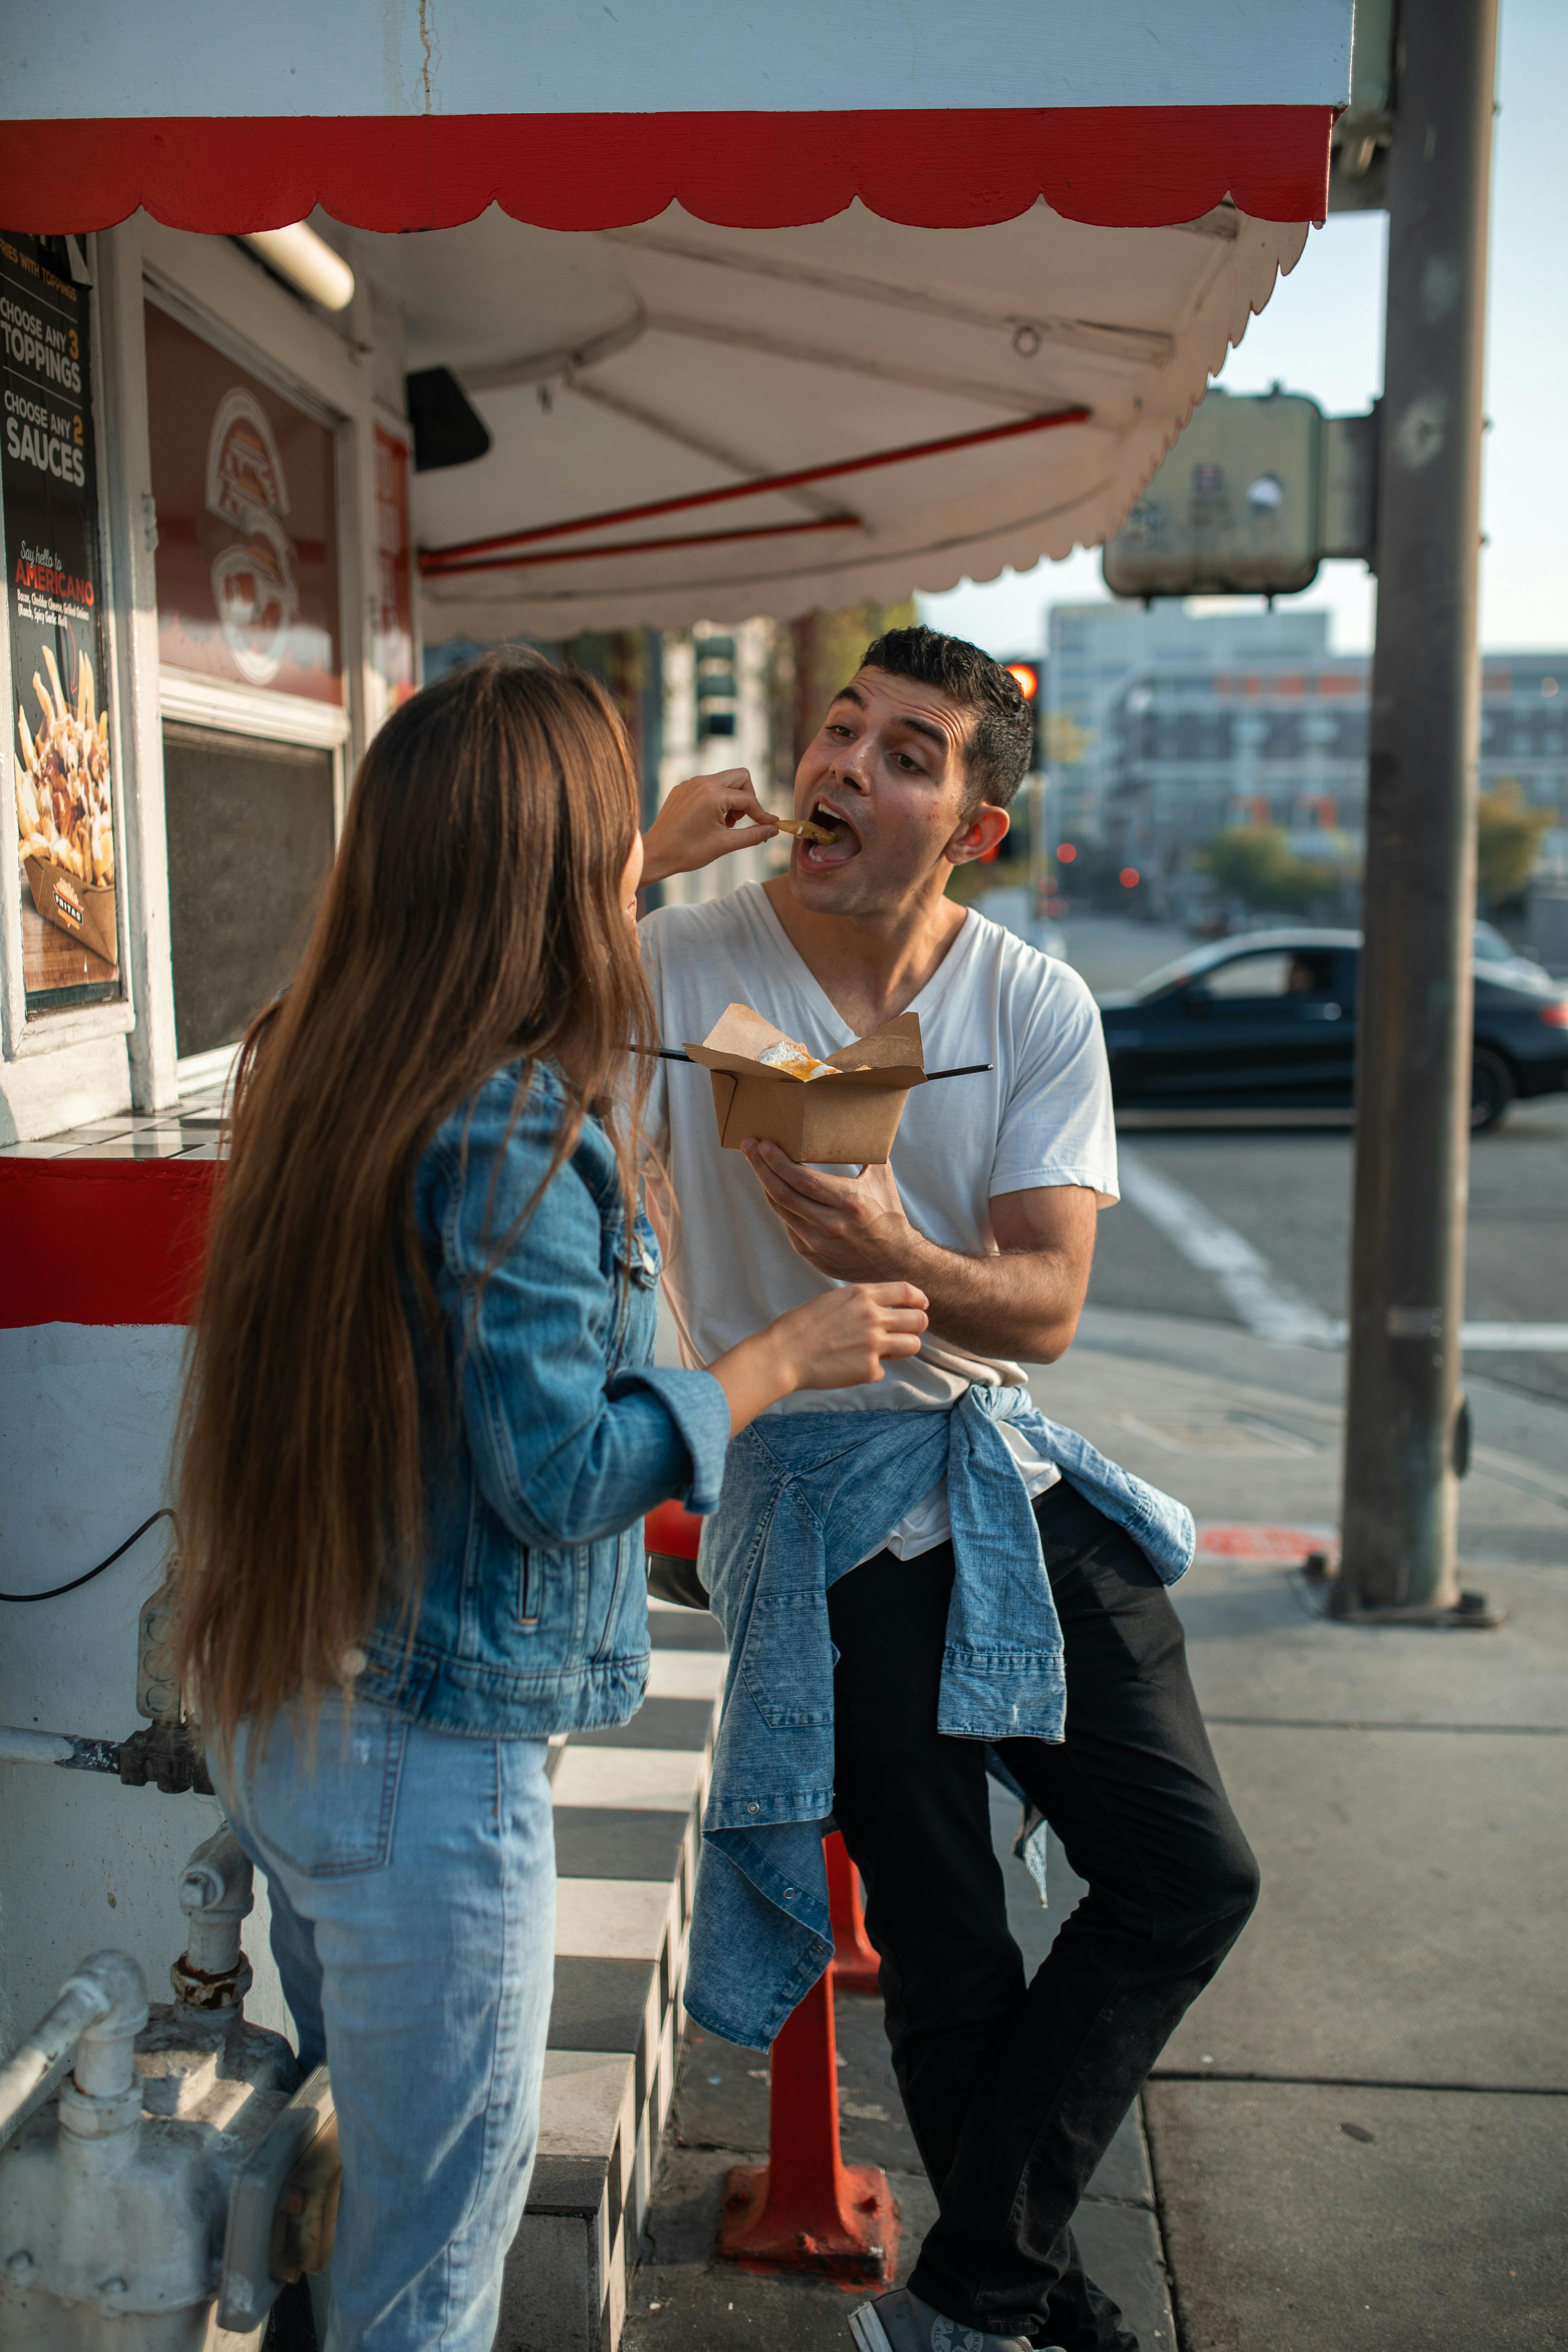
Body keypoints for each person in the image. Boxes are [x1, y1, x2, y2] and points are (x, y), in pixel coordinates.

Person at [168, 654, 927, 2352]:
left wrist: (627, 859)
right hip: (426, 1780)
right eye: (602, 836)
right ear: (546, 871)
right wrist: (775, 1359)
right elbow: (563, 1473)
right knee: (425, 2282)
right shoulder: (512, 1121)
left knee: (353, 2220)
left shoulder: (322, 1051)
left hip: (304, 1721)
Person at [636, 626, 1260, 2352]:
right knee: (945, 1934)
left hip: (991, 1467)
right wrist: (624, 863)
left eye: (907, 751)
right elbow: (429, 983)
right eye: (840, 729)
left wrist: (899, 1251)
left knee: (1188, 1873)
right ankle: (1010, 2310)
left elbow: (1046, 1305)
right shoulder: (677, 961)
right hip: (816, 1501)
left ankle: (976, 2294)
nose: (845, 765)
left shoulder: (1032, 1000)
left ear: (969, 825)